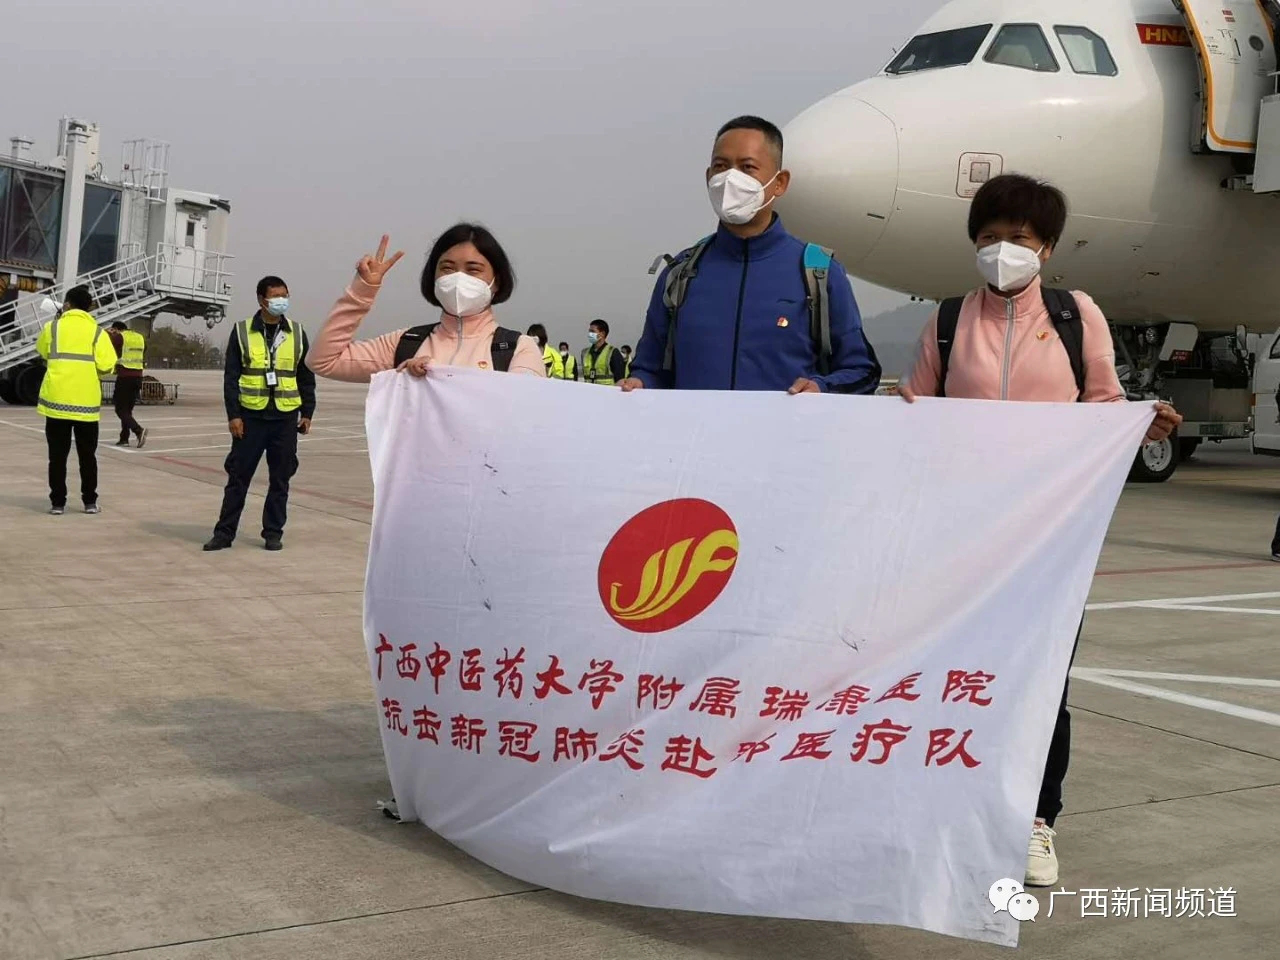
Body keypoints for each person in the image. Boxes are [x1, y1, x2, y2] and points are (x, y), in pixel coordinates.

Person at [897, 173, 1182, 888]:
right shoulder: (947, 321)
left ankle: (1036, 817)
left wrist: (1141, 422)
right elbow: (910, 414)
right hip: (963, 539)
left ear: (1047, 248)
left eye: (1018, 238)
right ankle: (952, 802)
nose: (1002, 250)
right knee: (955, 673)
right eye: (989, 237)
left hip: (1051, 537)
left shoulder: (1076, 315)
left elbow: (1104, 405)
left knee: (1042, 679)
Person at [623, 115, 880, 394]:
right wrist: (639, 383)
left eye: (747, 167)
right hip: (696, 425)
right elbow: (650, 369)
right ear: (708, 177)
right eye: (720, 166)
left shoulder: (819, 273)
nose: (730, 179)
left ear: (780, 182)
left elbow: (862, 372)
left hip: (787, 425)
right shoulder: (679, 274)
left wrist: (821, 387)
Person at [309, 227, 544, 382]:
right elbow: (322, 361)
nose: (458, 277)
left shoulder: (516, 349)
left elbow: (523, 409)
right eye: (447, 268)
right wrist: (362, 291)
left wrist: (438, 377)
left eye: (473, 270)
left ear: (497, 281)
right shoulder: (405, 343)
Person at [204, 276, 316, 552]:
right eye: (275, 297)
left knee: (280, 480)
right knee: (238, 478)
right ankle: (224, 533)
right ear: (261, 300)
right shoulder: (242, 331)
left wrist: (307, 412)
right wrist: (233, 415)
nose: (281, 301)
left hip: (285, 418)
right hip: (251, 417)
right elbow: (231, 377)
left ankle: (273, 532)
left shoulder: (297, 332)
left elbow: (305, 376)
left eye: (284, 296)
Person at [35, 285, 118, 515]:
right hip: (86, 405)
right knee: (87, 457)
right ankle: (89, 502)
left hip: (57, 403)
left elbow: (42, 351)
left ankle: (57, 503)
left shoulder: (52, 327)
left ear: (67, 304)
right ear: (89, 307)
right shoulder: (97, 333)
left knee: (57, 457)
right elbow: (107, 365)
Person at [106, 321, 148, 448]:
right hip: (138, 377)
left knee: (120, 409)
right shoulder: (140, 337)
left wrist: (109, 334)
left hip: (125, 376)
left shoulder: (120, 337)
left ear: (116, 329)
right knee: (127, 410)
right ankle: (124, 438)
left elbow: (107, 345)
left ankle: (138, 430)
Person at [582, 319, 625, 385]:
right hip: (589, 390)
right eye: (589, 331)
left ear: (602, 333)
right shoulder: (585, 353)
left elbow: (620, 379)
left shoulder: (612, 352)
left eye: (593, 331)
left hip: (607, 390)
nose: (590, 334)